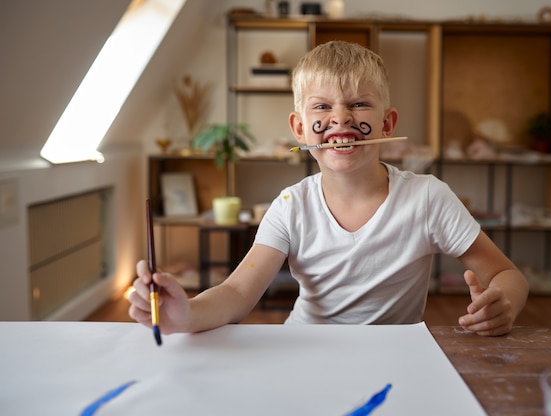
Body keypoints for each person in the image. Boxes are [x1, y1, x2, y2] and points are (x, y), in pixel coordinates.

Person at [129, 41, 528, 337]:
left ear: (387, 125)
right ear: (300, 129)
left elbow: (507, 274)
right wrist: (186, 312)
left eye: (358, 105)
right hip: (304, 349)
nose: (341, 118)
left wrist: (504, 302)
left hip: (394, 358)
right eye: (321, 107)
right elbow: (236, 293)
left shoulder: (428, 197)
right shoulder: (289, 206)